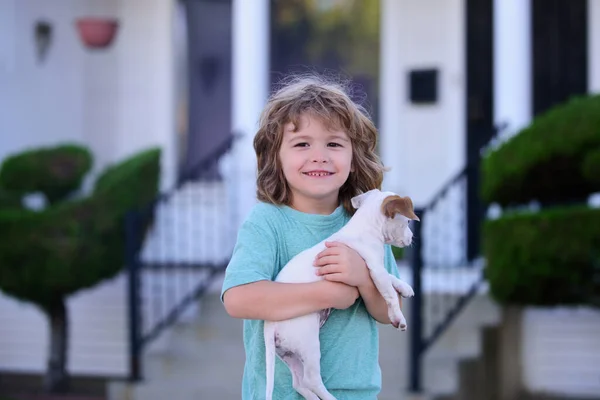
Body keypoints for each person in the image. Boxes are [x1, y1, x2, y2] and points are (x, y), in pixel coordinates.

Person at [221, 73, 402, 399]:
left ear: (353, 155)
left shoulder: (366, 222)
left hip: (356, 394)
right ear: (276, 156)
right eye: (302, 144)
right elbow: (238, 298)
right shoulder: (267, 222)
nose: (319, 155)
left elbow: (392, 310)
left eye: (333, 143)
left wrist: (362, 277)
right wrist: (328, 293)